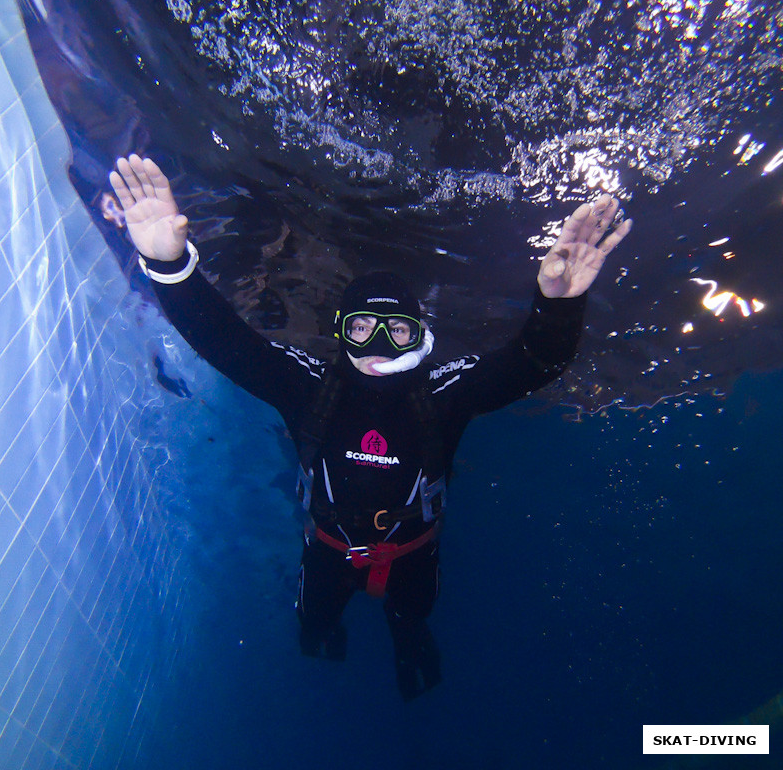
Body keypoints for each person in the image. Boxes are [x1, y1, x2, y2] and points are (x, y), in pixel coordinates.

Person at [109, 154, 632, 701]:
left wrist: (558, 305)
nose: (378, 349)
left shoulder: (442, 393)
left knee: (412, 619)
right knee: (314, 624)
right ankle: (322, 650)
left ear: (419, 337)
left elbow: (533, 362)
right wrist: (169, 265)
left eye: (396, 331)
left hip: (413, 556)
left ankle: (408, 641)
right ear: (340, 334)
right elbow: (225, 343)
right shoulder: (310, 384)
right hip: (328, 551)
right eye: (362, 329)